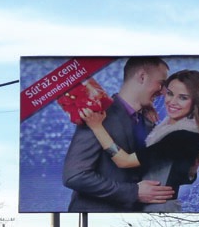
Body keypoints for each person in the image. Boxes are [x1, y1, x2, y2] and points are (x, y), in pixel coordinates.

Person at [81, 69, 199, 212]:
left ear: (196, 101)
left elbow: (125, 161)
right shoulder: (170, 129)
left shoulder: (183, 136)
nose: (172, 102)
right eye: (170, 94)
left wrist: (97, 127)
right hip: (148, 206)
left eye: (183, 97)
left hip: (158, 209)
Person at [62, 57, 173, 212]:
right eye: (161, 84)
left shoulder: (150, 123)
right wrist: (133, 192)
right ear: (142, 77)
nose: (163, 92)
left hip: (134, 223)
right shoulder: (97, 115)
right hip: (96, 219)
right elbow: (75, 176)